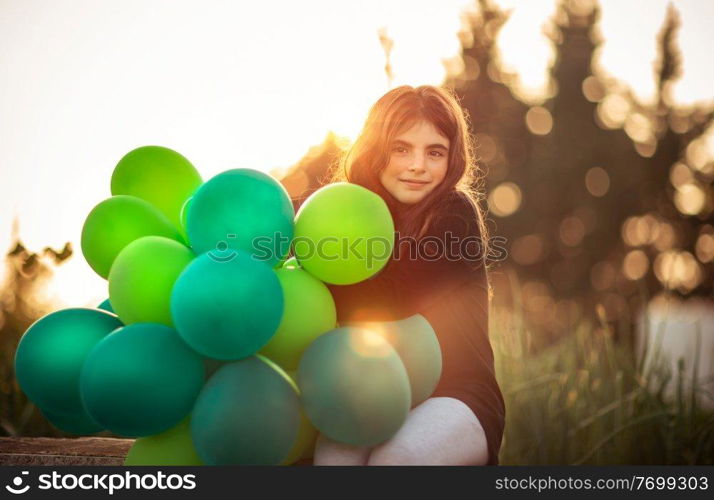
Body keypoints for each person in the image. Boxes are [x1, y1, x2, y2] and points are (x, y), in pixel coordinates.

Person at [291, 85, 505, 465]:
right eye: (401, 148)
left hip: (456, 396)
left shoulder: (454, 213)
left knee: (398, 458)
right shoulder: (349, 217)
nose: (417, 165)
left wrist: (310, 276)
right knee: (332, 460)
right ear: (376, 150)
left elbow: (391, 298)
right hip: (367, 391)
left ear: (452, 158)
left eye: (434, 152)